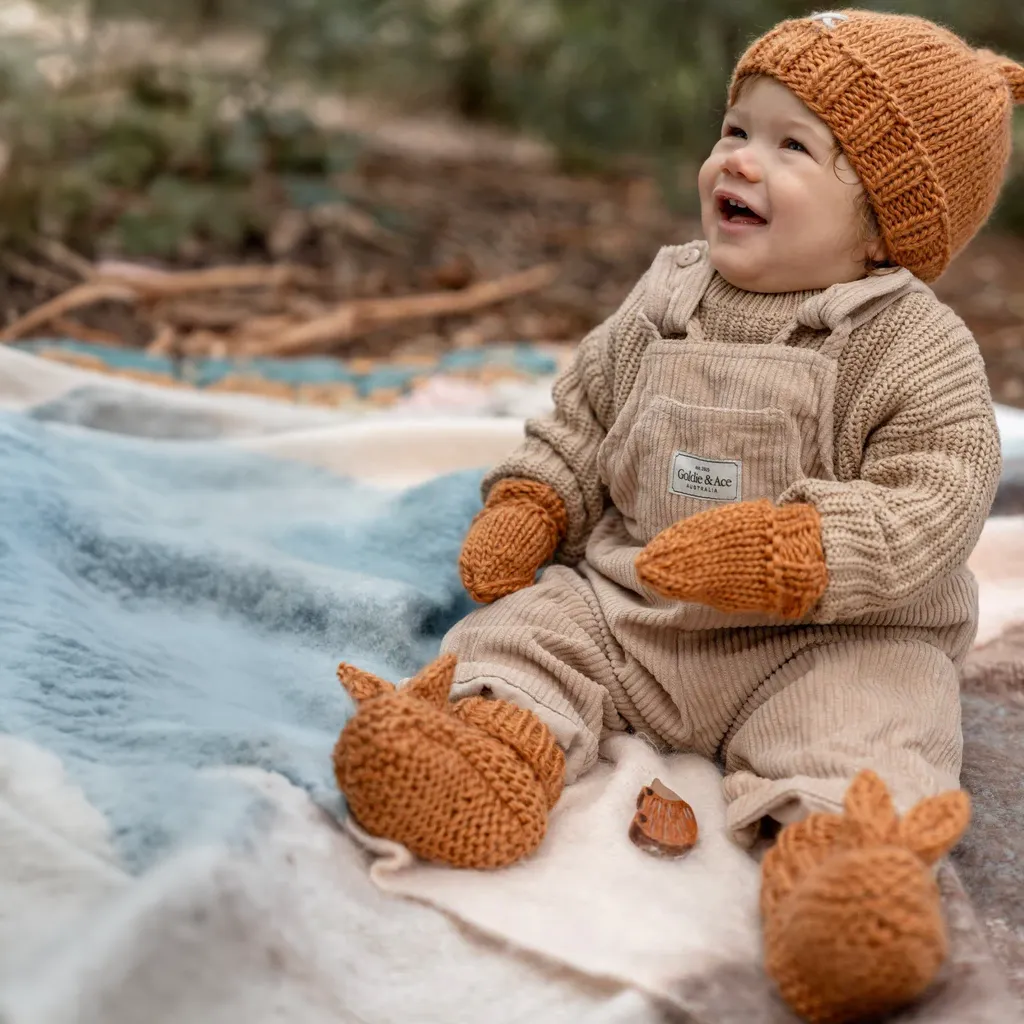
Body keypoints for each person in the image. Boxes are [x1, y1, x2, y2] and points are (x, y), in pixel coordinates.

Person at [334, 11, 1020, 1022]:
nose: (740, 161)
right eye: (736, 129)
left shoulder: (913, 347)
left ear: (882, 228)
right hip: (635, 609)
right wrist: (535, 498)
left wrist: (799, 549)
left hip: (824, 642)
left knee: (878, 726)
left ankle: (839, 877)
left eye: (792, 146)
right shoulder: (665, 294)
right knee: (530, 631)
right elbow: (582, 415)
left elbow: (936, 496)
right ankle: (485, 749)